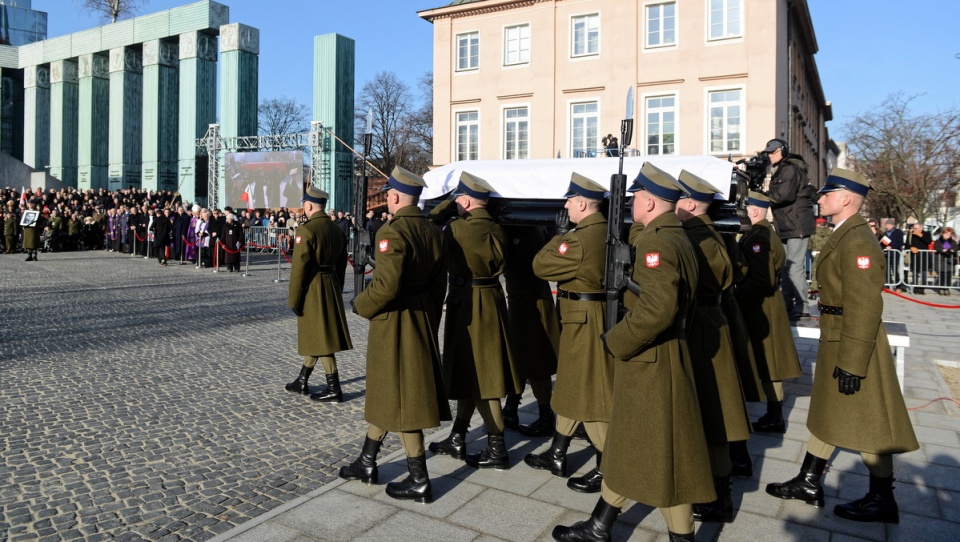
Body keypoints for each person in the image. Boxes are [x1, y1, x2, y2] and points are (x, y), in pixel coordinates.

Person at [553, 162, 714, 542]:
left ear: (651, 202)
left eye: (637, 198)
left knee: (657, 449)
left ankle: (656, 534)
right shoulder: (672, 234)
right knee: (640, 447)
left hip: (651, 359)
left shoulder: (658, 241)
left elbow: (658, 308)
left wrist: (617, 340)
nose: (632, 204)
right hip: (660, 355)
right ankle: (600, 526)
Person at [766, 168, 918, 523]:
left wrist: (852, 361)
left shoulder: (859, 242)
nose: (820, 199)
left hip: (854, 341)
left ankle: (882, 499)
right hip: (839, 335)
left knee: (870, 421)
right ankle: (808, 480)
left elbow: (865, 306)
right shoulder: (845, 235)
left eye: (826, 194)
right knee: (830, 413)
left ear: (846, 198)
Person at [338, 166, 450, 504]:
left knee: (402, 395)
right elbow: (437, 285)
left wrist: (362, 304)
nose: (387, 197)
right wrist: (429, 317)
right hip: (418, 314)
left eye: (388, 193)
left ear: (397, 196)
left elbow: (385, 288)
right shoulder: (432, 231)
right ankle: (367, 461)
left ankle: (419, 479)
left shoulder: (392, 232)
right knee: (388, 390)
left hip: (395, 320)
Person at [523, 173, 613, 494]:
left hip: (583, 321)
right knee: (573, 387)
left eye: (570, 200)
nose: (565, 205)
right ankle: (558, 453)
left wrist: (558, 235)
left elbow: (540, 265)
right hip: (591, 316)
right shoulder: (606, 231)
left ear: (582, 203)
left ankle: (608, 467)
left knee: (590, 392)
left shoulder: (578, 239)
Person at [427, 172, 521, 471]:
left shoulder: (457, 229)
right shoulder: (495, 226)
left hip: (468, 304)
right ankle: (457, 436)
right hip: (491, 299)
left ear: (465, 200)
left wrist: (444, 206)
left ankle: (497, 447)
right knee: (472, 371)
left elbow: (430, 227)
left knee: (482, 376)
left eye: (458, 199)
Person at [676, 170, 752, 523]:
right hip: (709, 322)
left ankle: (719, 496)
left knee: (711, 412)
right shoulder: (713, 231)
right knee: (713, 411)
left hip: (701, 327)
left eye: (678, 198)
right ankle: (719, 489)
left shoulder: (697, 236)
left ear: (690, 203)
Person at [735, 191, 802, 434]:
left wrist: (735, 293)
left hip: (762, 305)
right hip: (766, 303)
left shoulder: (759, 237)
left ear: (754, 210)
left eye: (745, 207)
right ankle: (774, 415)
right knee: (770, 362)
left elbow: (760, 280)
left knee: (770, 363)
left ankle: (775, 417)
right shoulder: (763, 233)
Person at [284, 186, 353, 403]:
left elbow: (299, 268)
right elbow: (342, 265)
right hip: (331, 284)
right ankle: (302, 380)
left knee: (321, 337)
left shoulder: (306, 230)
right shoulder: (337, 230)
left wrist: (294, 298)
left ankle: (334, 387)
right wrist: (337, 287)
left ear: (309, 205)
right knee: (317, 333)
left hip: (313, 287)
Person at [500, 224, 560, 436]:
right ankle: (511, 408)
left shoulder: (526, 228)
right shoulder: (525, 224)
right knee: (520, 356)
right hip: (523, 298)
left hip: (530, 299)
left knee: (535, 361)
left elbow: (515, 262)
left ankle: (545, 416)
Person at [764, 138, 816, 320]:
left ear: (782, 151)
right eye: (768, 153)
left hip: (796, 223)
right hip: (787, 223)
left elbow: (783, 195)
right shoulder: (782, 169)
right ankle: (788, 304)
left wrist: (762, 196)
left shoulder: (789, 169)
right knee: (787, 266)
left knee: (794, 267)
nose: (770, 156)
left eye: (773, 152)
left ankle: (802, 306)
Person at [906, 222, 932, 294]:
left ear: (921, 228)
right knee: (914, 273)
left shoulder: (927, 234)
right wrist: (910, 247)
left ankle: (922, 288)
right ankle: (915, 287)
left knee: (923, 273)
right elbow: (907, 244)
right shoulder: (910, 234)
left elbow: (929, 241)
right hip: (914, 256)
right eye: (913, 228)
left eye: (916, 228)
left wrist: (919, 234)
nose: (914, 229)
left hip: (923, 257)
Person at [879, 219, 904, 288]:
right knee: (886, 270)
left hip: (895, 254)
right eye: (886, 225)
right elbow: (882, 243)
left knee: (895, 270)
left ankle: (898, 285)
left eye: (888, 225)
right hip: (887, 255)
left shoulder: (898, 232)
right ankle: (887, 284)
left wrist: (892, 246)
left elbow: (900, 243)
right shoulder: (885, 233)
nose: (886, 226)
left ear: (892, 225)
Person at [934, 227, 957, 295]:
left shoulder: (952, 241)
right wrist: (941, 250)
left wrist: (952, 250)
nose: (947, 235)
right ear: (943, 234)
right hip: (941, 259)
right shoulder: (938, 241)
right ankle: (941, 288)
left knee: (949, 275)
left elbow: (955, 247)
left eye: (949, 234)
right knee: (942, 275)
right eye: (946, 234)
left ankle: (946, 288)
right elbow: (936, 247)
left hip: (949, 260)